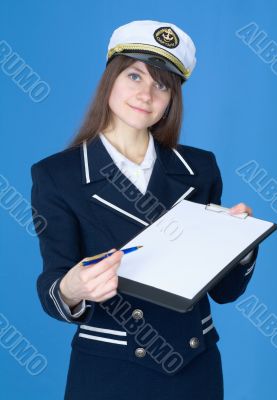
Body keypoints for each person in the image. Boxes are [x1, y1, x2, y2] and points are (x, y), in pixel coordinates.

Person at [31, 20, 258, 400]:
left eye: (162, 84)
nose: (147, 94)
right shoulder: (57, 175)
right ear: (111, 79)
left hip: (195, 369)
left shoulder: (200, 168)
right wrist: (72, 289)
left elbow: (225, 293)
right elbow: (54, 282)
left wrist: (243, 243)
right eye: (135, 76)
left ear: (172, 99)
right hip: (108, 373)